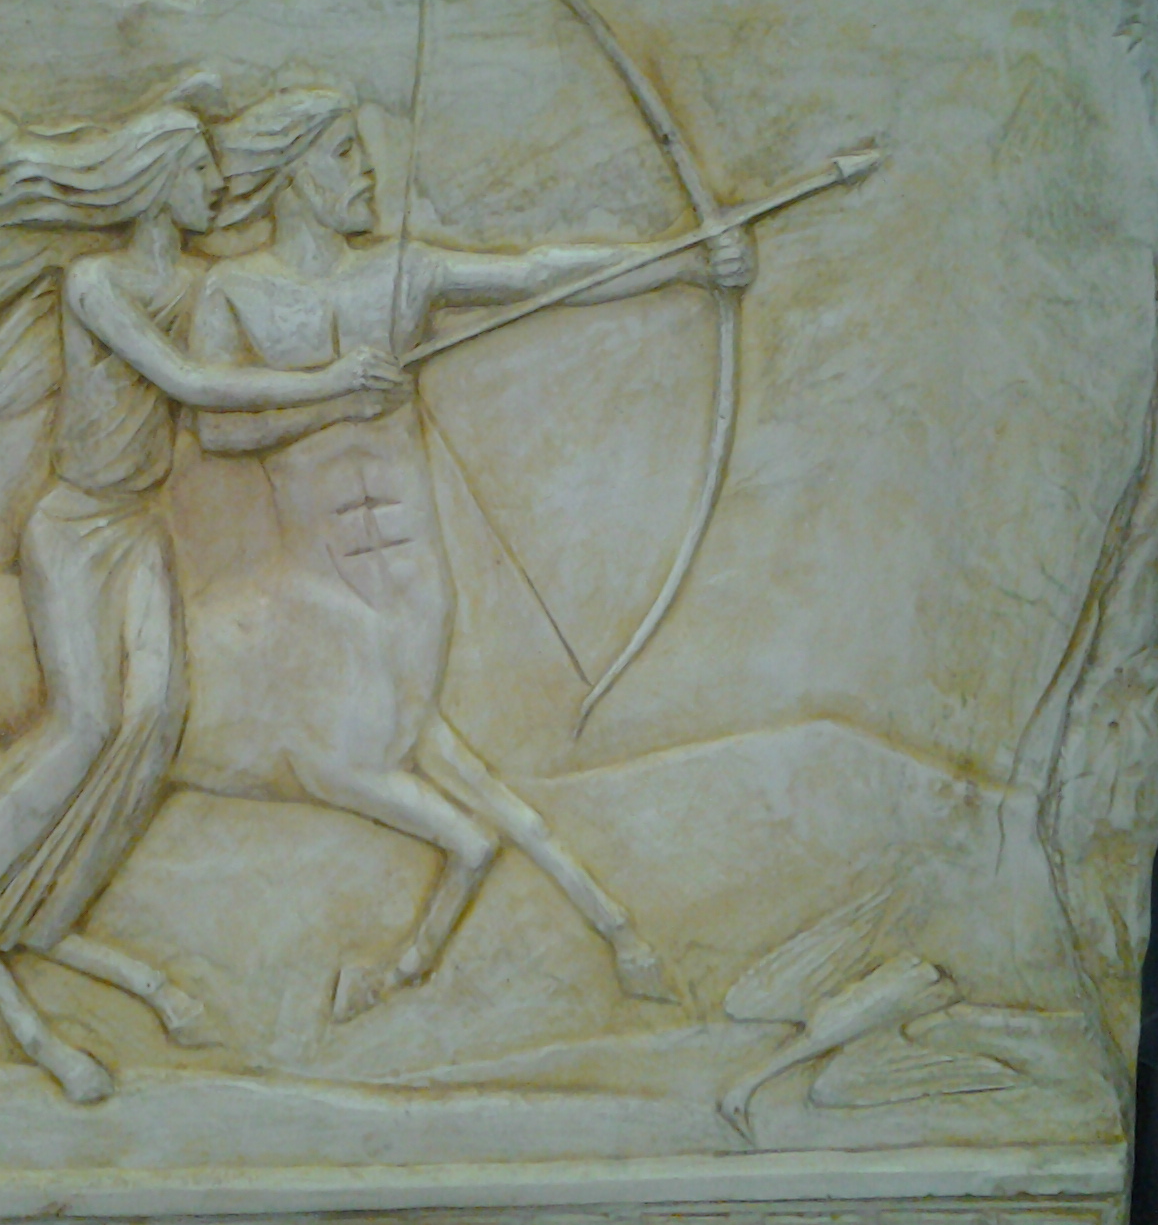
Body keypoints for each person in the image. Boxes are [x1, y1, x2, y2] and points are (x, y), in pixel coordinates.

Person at [183, 85, 753, 1017]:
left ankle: (578, 928)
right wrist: (331, 397)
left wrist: (685, 261)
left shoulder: (401, 274)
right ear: (291, 173)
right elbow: (213, 428)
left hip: (412, 588)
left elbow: (536, 274)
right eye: (343, 155)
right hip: (321, 591)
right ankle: (567, 930)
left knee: (424, 741)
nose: (367, 173)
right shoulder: (233, 293)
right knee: (403, 761)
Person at [0, 93, 402, 1097]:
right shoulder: (95, 284)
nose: (213, 186)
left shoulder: (195, 284)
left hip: (135, 528)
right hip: (73, 530)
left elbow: (228, 393)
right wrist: (331, 382)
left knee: (158, 715)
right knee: (88, 722)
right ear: (152, 183)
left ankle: (45, 904)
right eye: (195, 172)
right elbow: (191, 384)